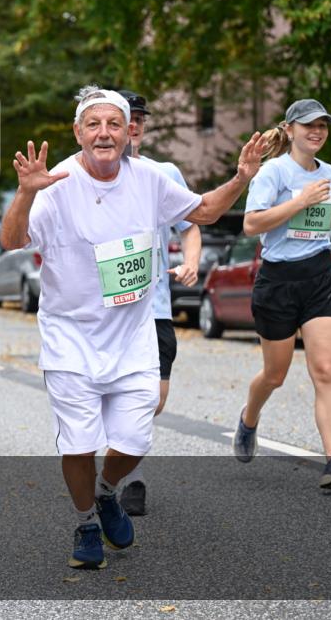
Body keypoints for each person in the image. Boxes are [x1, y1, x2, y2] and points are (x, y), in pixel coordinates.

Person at [0, 86, 267, 571]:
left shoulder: (149, 179)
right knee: (79, 443)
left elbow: (202, 212)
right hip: (70, 337)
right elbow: (12, 240)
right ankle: (85, 522)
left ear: (128, 133)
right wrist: (25, 192)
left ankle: (106, 494)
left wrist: (242, 177)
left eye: (114, 124)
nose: (105, 133)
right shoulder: (55, 181)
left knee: (135, 440)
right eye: (94, 124)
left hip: (133, 336)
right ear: (79, 132)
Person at [234, 99, 331, 490]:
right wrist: (298, 200)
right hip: (278, 282)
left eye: (322, 125)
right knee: (275, 374)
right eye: (308, 126)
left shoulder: (330, 174)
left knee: (325, 370)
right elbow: (252, 224)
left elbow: (325, 220)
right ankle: (249, 418)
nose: (316, 132)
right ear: (289, 130)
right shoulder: (273, 172)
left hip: (319, 276)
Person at [115, 90, 202, 516]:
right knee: (115, 395)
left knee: (152, 398)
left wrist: (190, 262)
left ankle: (117, 465)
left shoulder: (163, 172)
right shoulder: (83, 173)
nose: (132, 126)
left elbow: (190, 224)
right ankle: (129, 479)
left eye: (138, 120)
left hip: (155, 308)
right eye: (123, 118)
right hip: (107, 313)